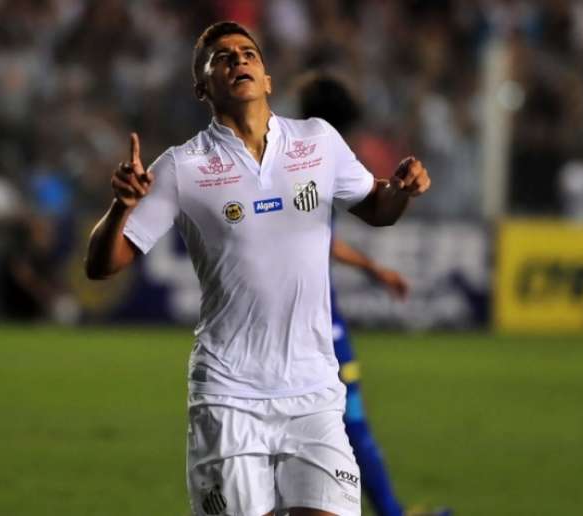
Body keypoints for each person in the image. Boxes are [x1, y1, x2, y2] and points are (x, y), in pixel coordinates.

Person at [85, 21, 430, 516]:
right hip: (230, 394)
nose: (238, 60)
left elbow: (377, 209)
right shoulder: (183, 167)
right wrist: (120, 207)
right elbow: (102, 265)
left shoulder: (318, 141)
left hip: (313, 390)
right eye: (221, 57)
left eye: (248, 53)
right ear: (202, 87)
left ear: (267, 78)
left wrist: (401, 191)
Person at [299, 73, 449, 516]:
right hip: (318, 319)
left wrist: (371, 268)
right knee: (351, 421)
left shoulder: (291, 154)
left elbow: (309, 236)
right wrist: (372, 267)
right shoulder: (322, 156)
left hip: (304, 318)